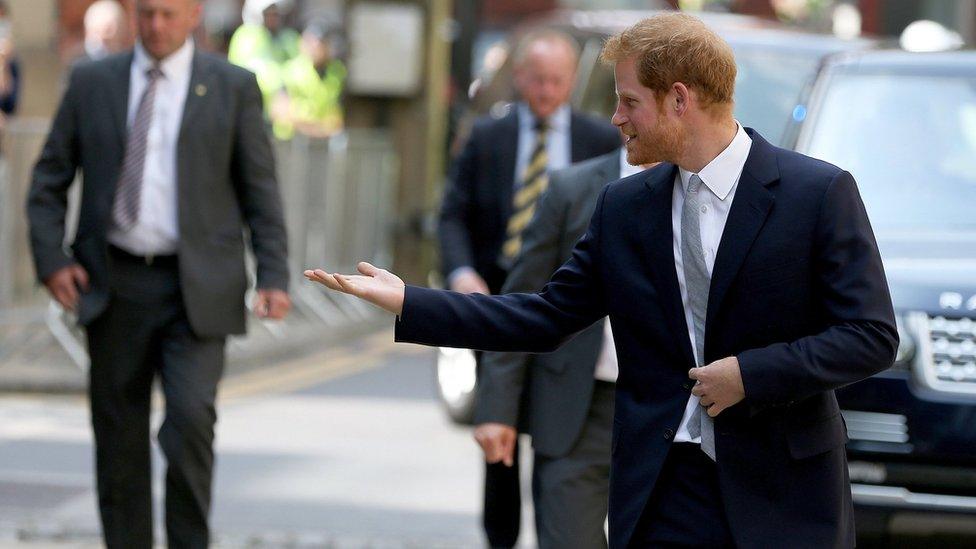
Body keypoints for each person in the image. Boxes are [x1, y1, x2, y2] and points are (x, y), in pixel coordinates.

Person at [306, 12, 898, 549]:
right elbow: (543, 316)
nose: (614, 118)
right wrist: (410, 300)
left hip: (785, 495)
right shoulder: (624, 206)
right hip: (664, 490)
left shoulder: (816, 194)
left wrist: (751, 374)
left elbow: (870, 334)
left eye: (628, 101)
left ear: (678, 100)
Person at [27, 0, 290, 547]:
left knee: (191, 421)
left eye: (169, 14)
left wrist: (273, 273)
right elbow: (50, 177)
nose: (157, 26)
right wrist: (52, 259)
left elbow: (259, 189)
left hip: (196, 287)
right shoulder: (92, 81)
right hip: (114, 283)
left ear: (194, 14)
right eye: (147, 13)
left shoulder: (231, 85)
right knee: (119, 435)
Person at [437, 28, 619, 548]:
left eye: (557, 81)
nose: (546, 91)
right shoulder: (487, 136)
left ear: (572, 81)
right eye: (537, 80)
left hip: (570, 302)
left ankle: (555, 515)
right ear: (520, 79)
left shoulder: (600, 139)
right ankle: (501, 536)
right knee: (500, 423)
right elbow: (452, 213)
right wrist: (461, 273)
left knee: (559, 427)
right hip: (496, 297)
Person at [476, 146, 648, 549]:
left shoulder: (704, 191)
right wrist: (497, 408)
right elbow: (522, 303)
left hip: (667, 411)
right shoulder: (570, 189)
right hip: (576, 410)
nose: (619, 115)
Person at [274, 20, 346, 140]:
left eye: (320, 43)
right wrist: (312, 129)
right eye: (311, 42)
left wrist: (324, 129)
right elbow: (279, 110)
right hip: (292, 140)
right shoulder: (291, 70)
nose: (315, 47)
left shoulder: (336, 72)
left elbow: (336, 115)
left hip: (320, 142)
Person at [227, 0, 299, 110]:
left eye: (276, 14)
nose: (273, 18)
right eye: (269, 14)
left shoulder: (287, 36)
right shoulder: (246, 37)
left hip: (286, 112)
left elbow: (300, 66)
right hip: (253, 106)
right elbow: (247, 72)